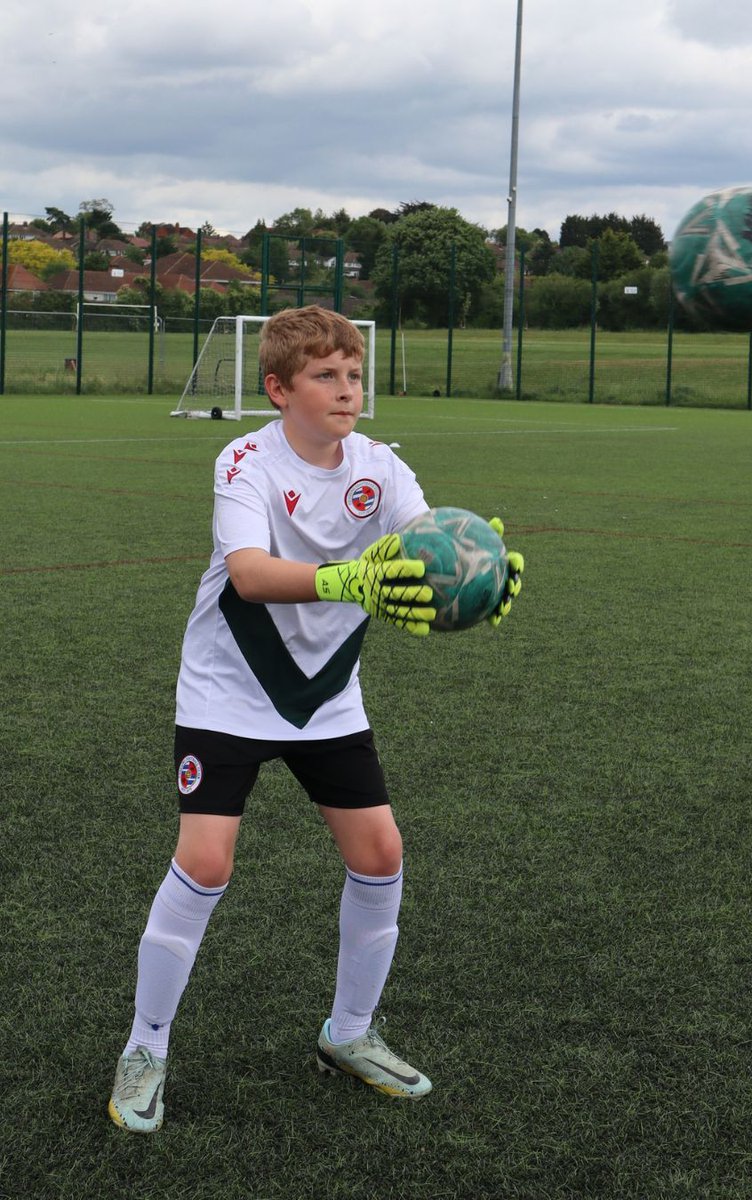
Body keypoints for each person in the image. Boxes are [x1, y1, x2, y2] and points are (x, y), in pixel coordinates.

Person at [107, 305, 524, 1133]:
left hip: (325, 696)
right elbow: (252, 574)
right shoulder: (244, 460)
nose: (347, 391)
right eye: (326, 376)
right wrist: (346, 581)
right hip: (229, 688)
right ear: (278, 388)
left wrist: (475, 572)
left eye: (355, 374)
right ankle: (145, 1046)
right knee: (207, 861)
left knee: (380, 851)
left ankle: (350, 1033)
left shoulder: (382, 466)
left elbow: (424, 545)